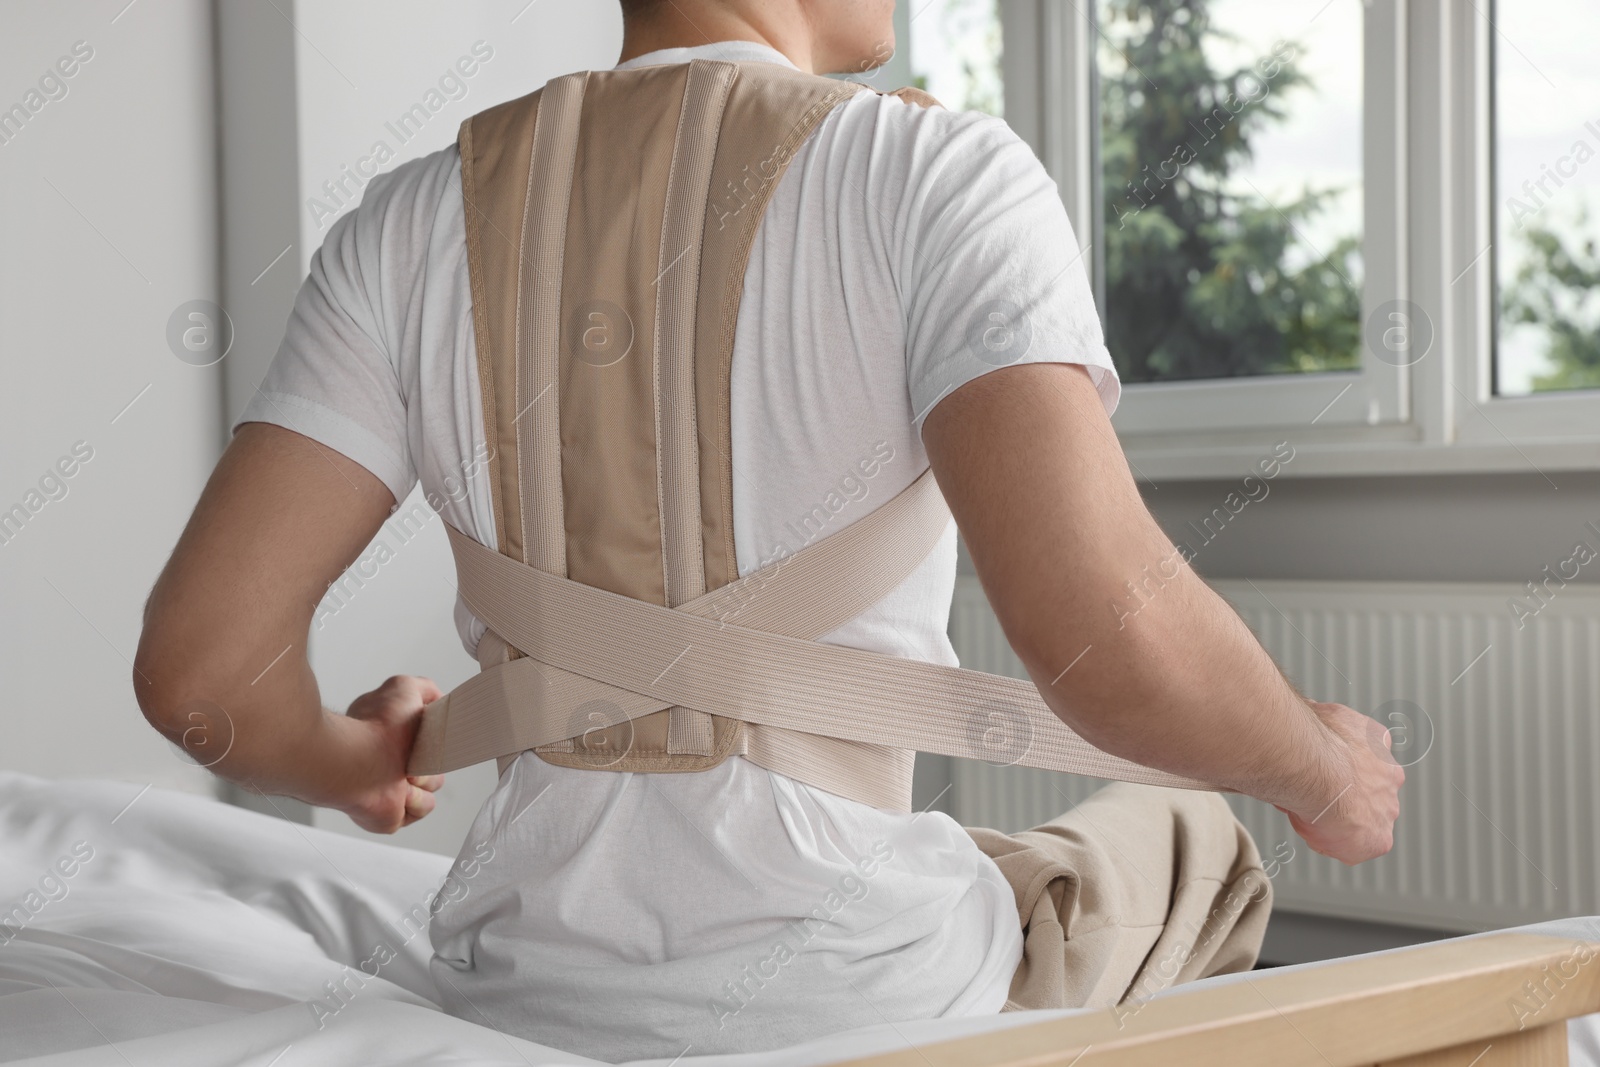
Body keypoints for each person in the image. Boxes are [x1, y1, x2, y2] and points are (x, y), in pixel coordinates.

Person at [132, 0, 1403, 1059]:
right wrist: (1324, 769)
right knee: (1199, 841)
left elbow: (199, 671)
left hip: (515, 987)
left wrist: (350, 758)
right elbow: (1109, 635)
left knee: (1020, 859)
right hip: (866, 995)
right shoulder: (936, 175)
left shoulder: (408, 220)